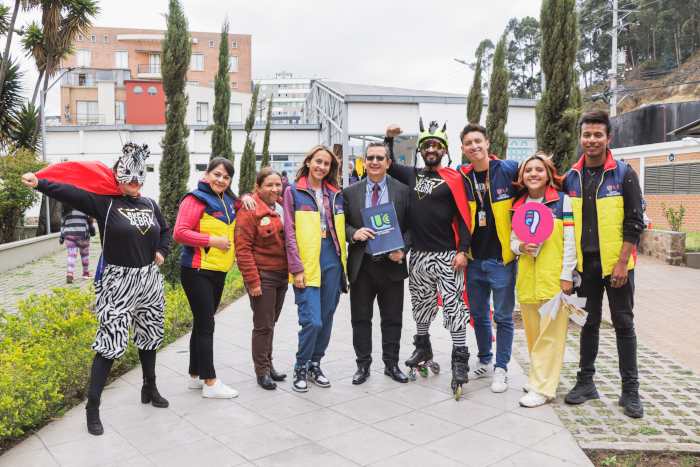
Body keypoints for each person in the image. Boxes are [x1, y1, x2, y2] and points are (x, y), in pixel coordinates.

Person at [22, 142, 170, 436]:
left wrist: (162, 252)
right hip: (118, 281)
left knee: (151, 335)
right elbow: (70, 192)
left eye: (140, 177)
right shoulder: (105, 203)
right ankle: (93, 407)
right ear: (118, 174)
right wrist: (40, 183)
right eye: (128, 176)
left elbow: (164, 229)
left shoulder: (149, 204)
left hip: (149, 278)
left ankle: (149, 387)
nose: (134, 181)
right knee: (110, 343)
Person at [563, 110, 645, 418]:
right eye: (587, 134)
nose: (592, 140)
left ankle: (630, 392)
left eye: (598, 134)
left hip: (618, 266)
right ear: (580, 138)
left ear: (608, 138)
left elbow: (635, 222)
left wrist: (623, 263)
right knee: (588, 324)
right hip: (586, 268)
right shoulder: (571, 177)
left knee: (624, 325)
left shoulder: (624, 173)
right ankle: (586, 383)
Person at [384, 121, 472, 399]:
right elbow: (387, 163)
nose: (431, 149)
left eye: (436, 146)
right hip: (419, 255)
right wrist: (388, 139)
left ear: (444, 150)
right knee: (421, 305)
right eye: (426, 146)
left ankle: (459, 359)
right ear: (420, 150)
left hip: (448, 256)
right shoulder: (410, 174)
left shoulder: (455, 178)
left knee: (454, 307)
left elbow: (465, 217)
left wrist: (463, 251)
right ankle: (423, 346)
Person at [174, 157, 250, 398]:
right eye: (217, 174)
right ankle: (210, 382)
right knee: (206, 325)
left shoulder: (227, 199)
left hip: (218, 270)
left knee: (201, 322)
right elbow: (180, 233)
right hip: (197, 270)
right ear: (207, 174)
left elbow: (242, 208)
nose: (221, 180)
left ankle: (195, 376)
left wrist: (246, 196)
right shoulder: (194, 198)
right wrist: (211, 241)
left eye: (226, 177)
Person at [509, 154, 576, 408]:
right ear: (522, 177)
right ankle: (539, 379)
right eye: (528, 170)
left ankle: (541, 388)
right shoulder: (518, 205)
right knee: (534, 335)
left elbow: (570, 242)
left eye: (539, 169)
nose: (533, 174)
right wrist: (519, 247)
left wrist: (566, 275)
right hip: (527, 280)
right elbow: (513, 241)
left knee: (551, 336)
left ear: (548, 174)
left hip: (554, 281)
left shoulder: (562, 202)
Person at [457, 123, 519, 393]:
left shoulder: (508, 169)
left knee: (503, 317)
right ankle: (485, 359)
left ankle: (501, 368)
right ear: (463, 149)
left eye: (478, 141)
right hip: (473, 259)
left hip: (501, 260)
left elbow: (538, 179)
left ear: (487, 143)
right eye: (469, 143)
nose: (474, 146)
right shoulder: (462, 176)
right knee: (478, 314)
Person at [343, 142, 411, 385]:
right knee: (360, 319)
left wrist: (402, 249)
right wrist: (354, 232)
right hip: (363, 265)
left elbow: (412, 227)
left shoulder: (403, 190)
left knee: (392, 318)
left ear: (388, 163)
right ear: (364, 161)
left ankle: (391, 364)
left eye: (379, 158)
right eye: (370, 157)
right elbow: (341, 224)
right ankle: (363, 365)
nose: (374, 162)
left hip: (391, 264)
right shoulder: (350, 191)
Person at [283, 145, 347, 392]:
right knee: (313, 321)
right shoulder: (294, 192)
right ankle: (300, 366)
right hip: (307, 261)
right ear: (308, 162)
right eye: (317, 161)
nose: (321, 167)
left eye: (327, 164)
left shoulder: (336, 194)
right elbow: (289, 232)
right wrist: (296, 267)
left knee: (327, 317)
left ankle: (315, 365)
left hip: (332, 259)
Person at [234, 168, 289, 390]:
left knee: (271, 324)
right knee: (263, 326)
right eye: (269, 185)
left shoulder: (284, 206)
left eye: (278, 185)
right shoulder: (249, 212)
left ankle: (269, 365)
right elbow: (243, 250)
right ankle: (262, 372)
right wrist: (253, 282)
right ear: (258, 187)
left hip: (281, 275)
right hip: (263, 276)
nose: (274, 189)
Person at [60, 204, 94, 283]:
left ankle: (70, 272)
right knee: (84, 253)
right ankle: (86, 273)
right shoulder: (84, 202)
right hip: (82, 232)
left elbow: (63, 219)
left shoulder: (65, 204)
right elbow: (91, 216)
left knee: (71, 254)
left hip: (68, 233)